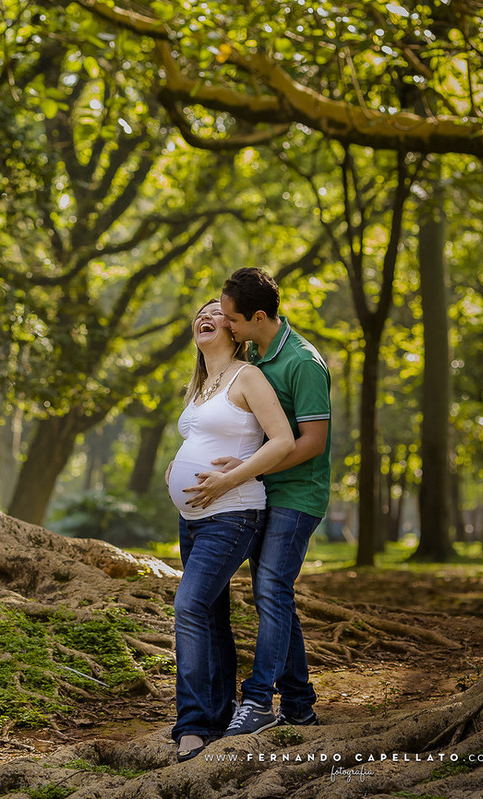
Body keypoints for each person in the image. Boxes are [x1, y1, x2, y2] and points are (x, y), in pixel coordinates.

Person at [186, 267, 332, 737]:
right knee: (274, 597)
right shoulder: (258, 358)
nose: (225, 323)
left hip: (297, 494)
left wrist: (242, 470)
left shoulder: (302, 362)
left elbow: (310, 442)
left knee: (271, 590)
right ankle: (299, 703)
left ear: (258, 316)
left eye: (231, 318)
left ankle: (257, 700)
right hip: (261, 492)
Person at [166, 299, 294, 762]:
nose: (206, 316)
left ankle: (193, 724)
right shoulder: (201, 383)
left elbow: (281, 440)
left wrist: (229, 477)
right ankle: (218, 714)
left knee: (189, 605)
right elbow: (204, 438)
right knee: (211, 616)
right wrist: (175, 467)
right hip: (193, 519)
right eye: (200, 311)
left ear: (234, 327)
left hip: (233, 512)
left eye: (217, 311)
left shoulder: (248, 376)